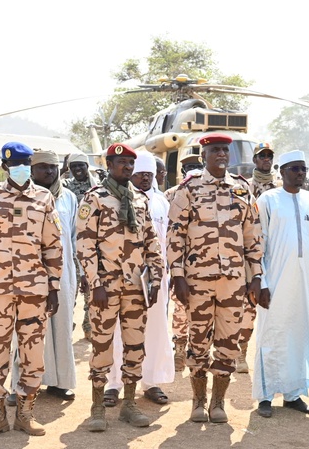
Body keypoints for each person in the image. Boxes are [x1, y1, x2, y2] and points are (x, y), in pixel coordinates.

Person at [0, 142, 63, 439]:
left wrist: (54, 286)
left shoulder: (43, 197)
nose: (20, 168)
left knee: (33, 354)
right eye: (15, 164)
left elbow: (52, 245)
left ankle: (25, 413)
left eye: (25, 163)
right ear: (5, 165)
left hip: (34, 289)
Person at [168, 133, 262, 423]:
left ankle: (218, 402)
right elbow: (175, 235)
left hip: (234, 281)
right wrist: (178, 276)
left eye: (225, 150)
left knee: (228, 341)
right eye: (215, 150)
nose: (222, 154)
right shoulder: (189, 189)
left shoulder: (243, 189)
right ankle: (198, 400)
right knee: (198, 340)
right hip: (198, 280)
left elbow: (253, 235)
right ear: (204, 156)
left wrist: (256, 275)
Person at [77, 144, 164, 432]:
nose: (127, 167)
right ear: (109, 165)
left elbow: (152, 240)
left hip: (135, 286)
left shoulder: (139, 199)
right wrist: (95, 284)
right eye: (121, 163)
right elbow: (85, 244)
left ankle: (129, 404)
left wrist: (156, 278)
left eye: (130, 162)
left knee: (134, 345)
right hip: (106, 286)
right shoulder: (96, 198)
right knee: (102, 346)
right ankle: (98, 407)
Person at [253, 150, 309, 417]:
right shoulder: (268, 199)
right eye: (294, 169)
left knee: (298, 334)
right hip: (275, 281)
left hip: (304, 282)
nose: (300, 174)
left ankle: (293, 394)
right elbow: (259, 243)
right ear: (281, 172)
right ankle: (265, 395)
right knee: (271, 335)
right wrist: (262, 280)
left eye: (303, 169)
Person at [8, 149, 79, 402]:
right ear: (31, 170)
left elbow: (73, 237)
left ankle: (60, 383)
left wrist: (74, 273)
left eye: (53, 167)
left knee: (61, 328)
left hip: (63, 273)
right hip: (28, 275)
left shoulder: (69, 198)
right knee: (26, 331)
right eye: (42, 167)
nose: (49, 172)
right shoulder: (21, 197)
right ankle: (19, 385)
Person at [105, 151, 173, 407]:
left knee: (155, 329)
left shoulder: (161, 203)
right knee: (119, 332)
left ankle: (151, 382)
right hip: (124, 277)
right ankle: (114, 384)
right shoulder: (117, 199)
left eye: (149, 175)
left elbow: (165, 242)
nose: (145, 179)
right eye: (140, 174)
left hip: (155, 279)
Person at [238, 142, 278, 374]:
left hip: (274, 254)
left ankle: (269, 355)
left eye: (269, 156)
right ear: (254, 160)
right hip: (250, 255)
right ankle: (241, 354)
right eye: (261, 156)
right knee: (248, 306)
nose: (265, 159)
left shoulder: (279, 187)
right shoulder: (245, 188)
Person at [164, 152, 204, 373]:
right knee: (181, 308)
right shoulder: (171, 194)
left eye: (196, 166)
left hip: (204, 263)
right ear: (181, 171)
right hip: (180, 262)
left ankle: (196, 350)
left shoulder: (208, 190)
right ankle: (179, 348)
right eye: (188, 167)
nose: (192, 170)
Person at [65, 152, 98, 341]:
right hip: (71, 246)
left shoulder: (96, 187)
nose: (77, 170)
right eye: (73, 166)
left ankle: (89, 327)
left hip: (92, 247)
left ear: (87, 166)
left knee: (91, 291)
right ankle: (67, 327)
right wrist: (62, 170)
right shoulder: (66, 187)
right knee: (71, 289)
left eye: (81, 166)